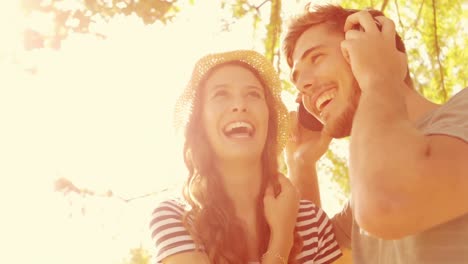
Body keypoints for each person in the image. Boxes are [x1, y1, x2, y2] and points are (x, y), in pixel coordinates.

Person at [282, 3, 468, 264]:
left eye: (316, 58)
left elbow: (388, 201)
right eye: (297, 80)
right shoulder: (359, 204)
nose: (303, 86)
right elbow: (309, 254)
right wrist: (301, 163)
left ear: (374, 43)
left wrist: (378, 76)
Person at [148, 50, 342, 264]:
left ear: (269, 122)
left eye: (253, 94)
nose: (240, 105)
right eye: (221, 95)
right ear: (200, 125)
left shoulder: (312, 220)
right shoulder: (177, 217)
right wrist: (282, 238)